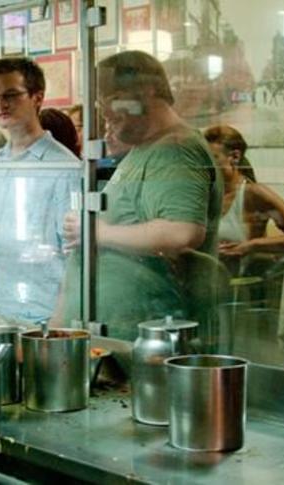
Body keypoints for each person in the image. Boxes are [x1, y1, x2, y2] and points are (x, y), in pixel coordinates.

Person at [58, 51, 223, 341]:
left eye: (108, 99)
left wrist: (98, 231)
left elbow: (182, 233)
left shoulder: (176, 148)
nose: (104, 112)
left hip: (143, 336)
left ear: (146, 91)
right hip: (114, 335)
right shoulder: (147, 148)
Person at [0, 57, 79, 322]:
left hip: (38, 313)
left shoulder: (63, 167)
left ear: (37, 98)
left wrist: (59, 323)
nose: (1, 104)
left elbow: (75, 257)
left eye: (11, 95)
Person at [204, 125, 284, 274]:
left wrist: (253, 245)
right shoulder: (201, 194)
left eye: (211, 159)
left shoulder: (253, 193)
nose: (203, 167)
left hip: (240, 287)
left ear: (235, 157)